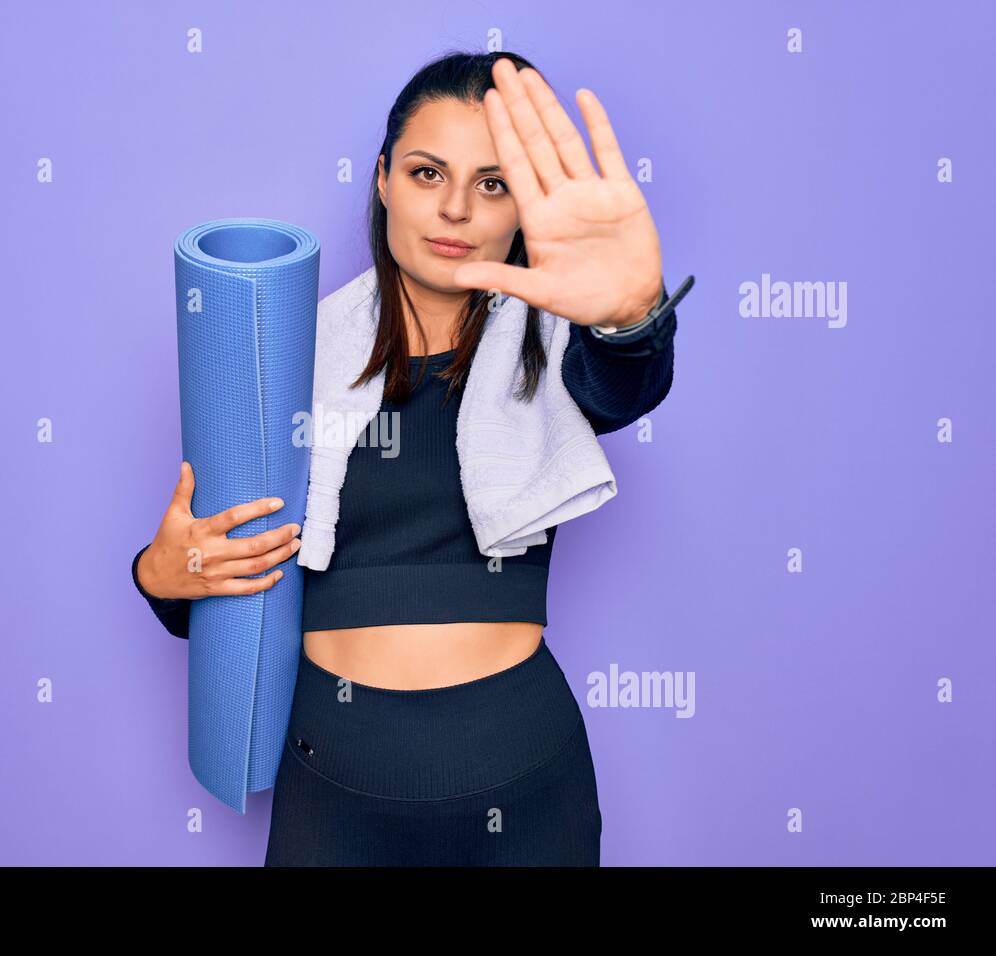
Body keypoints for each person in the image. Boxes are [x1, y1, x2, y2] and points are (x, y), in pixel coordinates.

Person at [132, 51, 690, 865]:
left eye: (494, 184)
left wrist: (633, 314)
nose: (457, 208)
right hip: (333, 792)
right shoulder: (291, 353)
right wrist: (159, 575)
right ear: (384, 178)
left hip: (525, 784)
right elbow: (225, 562)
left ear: (523, 213)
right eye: (429, 173)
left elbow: (623, 385)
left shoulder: (558, 348)